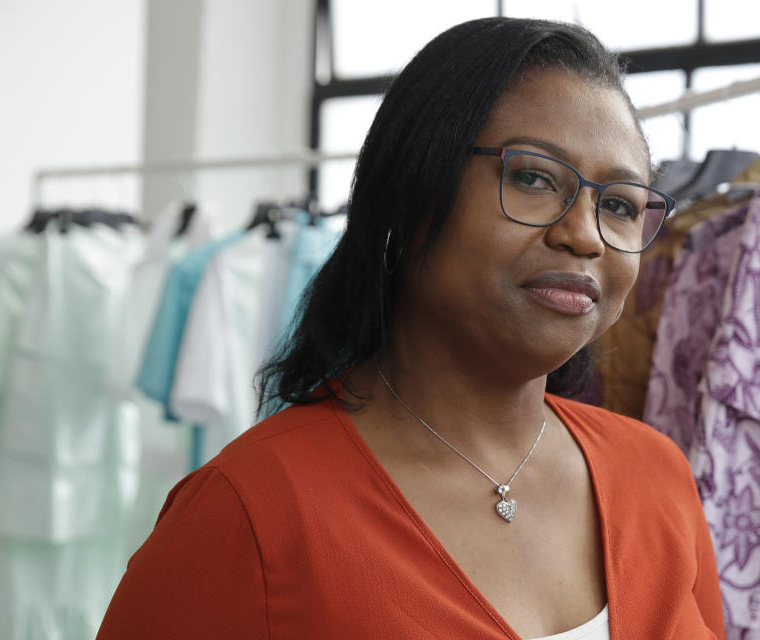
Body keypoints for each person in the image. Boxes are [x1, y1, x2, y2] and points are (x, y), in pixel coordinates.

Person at [97, 17, 725, 640]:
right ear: (409, 191)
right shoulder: (247, 514)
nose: (585, 234)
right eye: (533, 178)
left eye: (619, 205)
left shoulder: (656, 475)